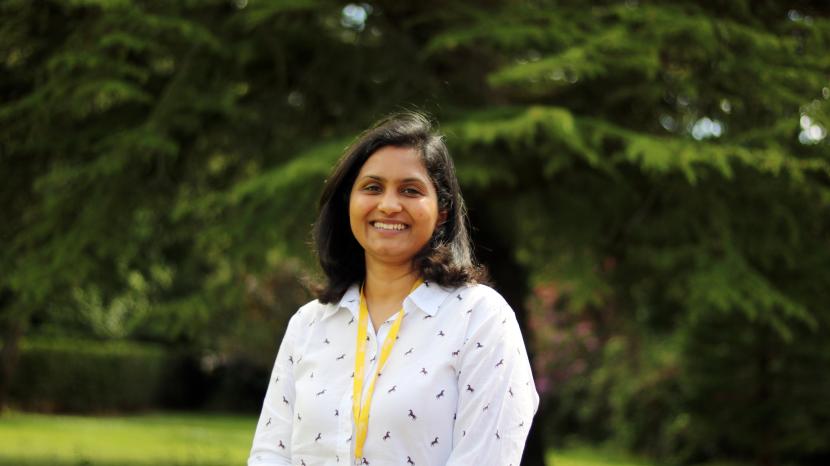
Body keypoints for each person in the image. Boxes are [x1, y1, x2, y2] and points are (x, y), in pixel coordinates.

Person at [248, 112, 539, 466]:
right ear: (348, 203)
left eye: (410, 190)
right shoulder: (307, 326)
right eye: (372, 187)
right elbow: (269, 453)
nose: (388, 205)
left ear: (442, 210)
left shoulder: (480, 320)